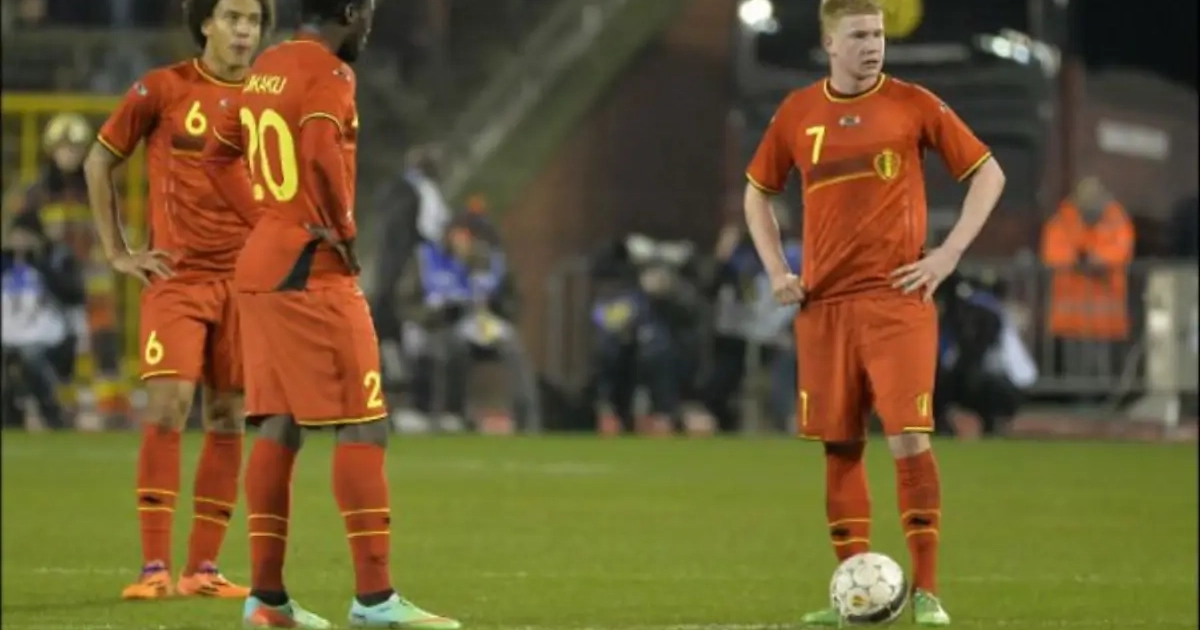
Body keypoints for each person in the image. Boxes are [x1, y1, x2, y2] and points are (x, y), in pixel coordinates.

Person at [742, 0, 1006, 625]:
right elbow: (756, 194)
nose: (873, 45)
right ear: (830, 43)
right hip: (824, 306)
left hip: (897, 301)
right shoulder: (798, 112)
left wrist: (948, 254)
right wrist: (777, 271)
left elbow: (988, 173)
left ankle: (927, 592)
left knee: (908, 438)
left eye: (878, 34)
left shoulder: (913, 104)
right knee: (840, 446)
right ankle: (854, 596)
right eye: (859, 34)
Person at [201, 1, 461, 627]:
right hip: (310, 267)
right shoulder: (330, 73)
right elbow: (319, 151)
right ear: (346, 11)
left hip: (263, 265)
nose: (368, 22)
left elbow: (215, 154)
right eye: (365, 10)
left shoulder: (265, 67)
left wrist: (268, 215)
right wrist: (341, 230)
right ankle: (375, 599)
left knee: (279, 424)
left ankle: (267, 601)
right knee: (364, 424)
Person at [82, 0, 273, 600]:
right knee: (169, 406)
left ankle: (203, 570)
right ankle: (153, 569)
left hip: (244, 282)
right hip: (178, 278)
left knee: (229, 415)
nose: (244, 29)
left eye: (253, 20)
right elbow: (98, 161)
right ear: (206, 24)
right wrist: (117, 250)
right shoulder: (163, 89)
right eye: (233, 16)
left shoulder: (271, 100)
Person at [1, 209, 85, 430]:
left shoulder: (56, 258)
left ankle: (51, 409)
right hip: (9, 333)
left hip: (47, 335)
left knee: (30, 357)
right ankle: (10, 416)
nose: (20, 243)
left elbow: (75, 294)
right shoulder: (5, 264)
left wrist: (40, 262)